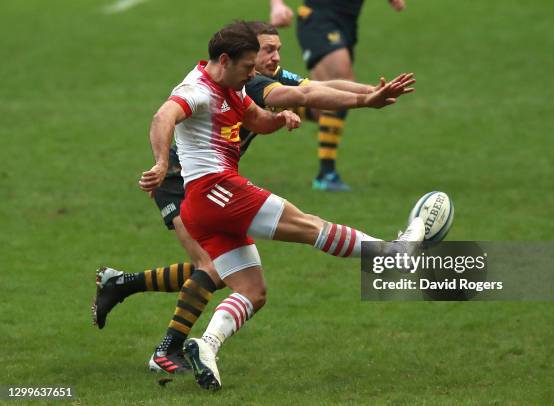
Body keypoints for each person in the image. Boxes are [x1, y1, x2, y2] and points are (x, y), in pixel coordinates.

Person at [93, 21, 417, 375]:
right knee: (307, 227)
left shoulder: (234, 85)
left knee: (251, 290)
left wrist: (280, 121)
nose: (263, 66)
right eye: (256, 60)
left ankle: (205, 347)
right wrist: (365, 100)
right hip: (211, 188)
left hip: (205, 202)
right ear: (227, 59)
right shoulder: (199, 89)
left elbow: (259, 118)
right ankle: (390, 255)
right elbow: (163, 115)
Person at [270, 0, 406, 191]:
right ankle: (327, 174)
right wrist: (277, 5)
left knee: (322, 109)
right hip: (319, 18)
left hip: (347, 23)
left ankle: (260, 104)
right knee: (342, 87)